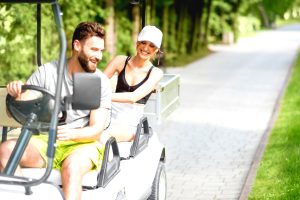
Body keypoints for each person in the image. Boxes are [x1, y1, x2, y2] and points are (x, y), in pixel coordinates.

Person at [0, 22, 111, 200]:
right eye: (94, 49)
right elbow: (13, 113)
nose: (99, 56)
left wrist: (72, 133)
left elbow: (96, 129)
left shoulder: (99, 81)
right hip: (45, 140)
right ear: (77, 46)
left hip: (82, 144)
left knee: (72, 167)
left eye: (101, 51)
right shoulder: (47, 72)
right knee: (5, 149)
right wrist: (17, 93)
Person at [101, 25, 163, 143]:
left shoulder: (156, 73)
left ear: (156, 50)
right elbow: (99, 84)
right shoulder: (120, 61)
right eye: (143, 42)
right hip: (107, 114)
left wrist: (102, 96)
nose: (146, 48)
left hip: (131, 124)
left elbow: (133, 97)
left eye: (151, 45)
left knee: (102, 136)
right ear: (137, 43)